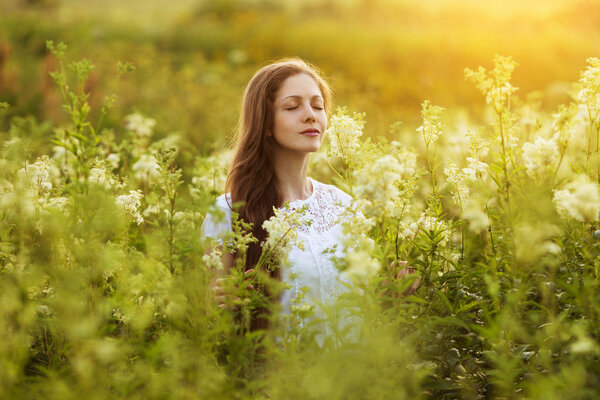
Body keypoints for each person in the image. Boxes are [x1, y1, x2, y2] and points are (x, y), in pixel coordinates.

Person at [201, 58, 418, 337]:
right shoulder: (228, 211)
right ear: (265, 123)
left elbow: (363, 308)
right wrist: (219, 301)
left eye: (317, 106)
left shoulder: (342, 205)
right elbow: (214, 320)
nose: (310, 115)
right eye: (292, 106)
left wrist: (392, 289)